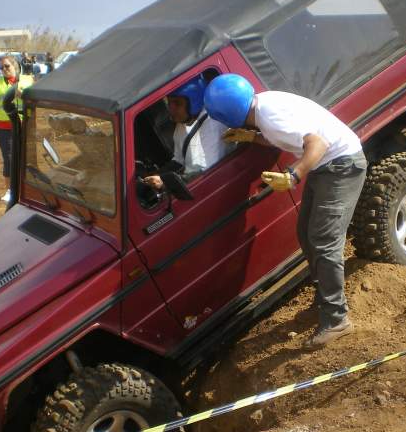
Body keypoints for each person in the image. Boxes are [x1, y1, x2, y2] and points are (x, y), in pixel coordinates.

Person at [204, 73, 366, 348]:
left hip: (341, 166)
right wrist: (251, 137)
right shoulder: (262, 106)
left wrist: (293, 176)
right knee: (306, 233)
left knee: (325, 243)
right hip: (328, 166)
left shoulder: (270, 117)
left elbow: (317, 143)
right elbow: (286, 138)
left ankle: (337, 319)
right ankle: (326, 296)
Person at [142, 75, 230, 191]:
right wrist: (158, 175)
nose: (171, 109)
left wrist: (165, 184)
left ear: (194, 102)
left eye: (177, 104)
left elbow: (204, 174)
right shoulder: (183, 123)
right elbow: (179, 160)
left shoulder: (212, 124)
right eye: (170, 102)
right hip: (192, 182)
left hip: (214, 186)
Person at [0, 55, 33, 203]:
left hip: (23, 125)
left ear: (15, 66)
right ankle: (10, 191)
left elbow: (35, 98)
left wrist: (23, 96)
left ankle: (26, 190)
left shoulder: (26, 81)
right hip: (4, 127)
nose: (4, 69)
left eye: (7, 66)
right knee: (9, 159)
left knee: (25, 158)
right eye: (1, 67)